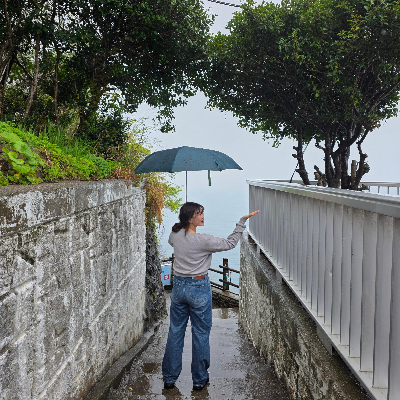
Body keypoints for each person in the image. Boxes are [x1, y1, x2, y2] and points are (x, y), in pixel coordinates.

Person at [162, 202, 259, 391]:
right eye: (199, 214)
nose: (202, 216)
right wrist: (241, 222)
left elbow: (173, 241)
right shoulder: (204, 240)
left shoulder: (175, 235)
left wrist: (182, 228)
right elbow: (230, 243)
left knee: (175, 331)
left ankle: (169, 378)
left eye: (202, 213)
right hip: (198, 287)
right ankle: (199, 380)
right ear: (190, 218)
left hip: (179, 287)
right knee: (200, 333)